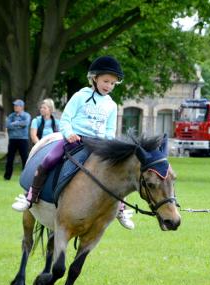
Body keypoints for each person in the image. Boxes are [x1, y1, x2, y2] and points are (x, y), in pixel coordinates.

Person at [11, 56, 135, 230]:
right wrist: (69, 134)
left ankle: (121, 209)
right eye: (106, 81)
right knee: (48, 161)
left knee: (117, 171)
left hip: (99, 146)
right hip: (75, 141)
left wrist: (107, 145)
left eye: (113, 83)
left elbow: (110, 131)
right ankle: (31, 196)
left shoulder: (112, 105)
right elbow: (65, 120)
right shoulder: (80, 96)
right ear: (95, 78)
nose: (109, 86)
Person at [4, 99, 31, 180]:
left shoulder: (26, 115)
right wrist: (19, 125)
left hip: (23, 139)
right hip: (12, 139)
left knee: (24, 158)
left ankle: (25, 177)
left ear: (21, 107)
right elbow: (7, 125)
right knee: (10, 158)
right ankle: (7, 176)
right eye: (14, 105)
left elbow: (25, 123)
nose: (15, 107)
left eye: (17, 105)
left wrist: (14, 123)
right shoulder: (11, 116)